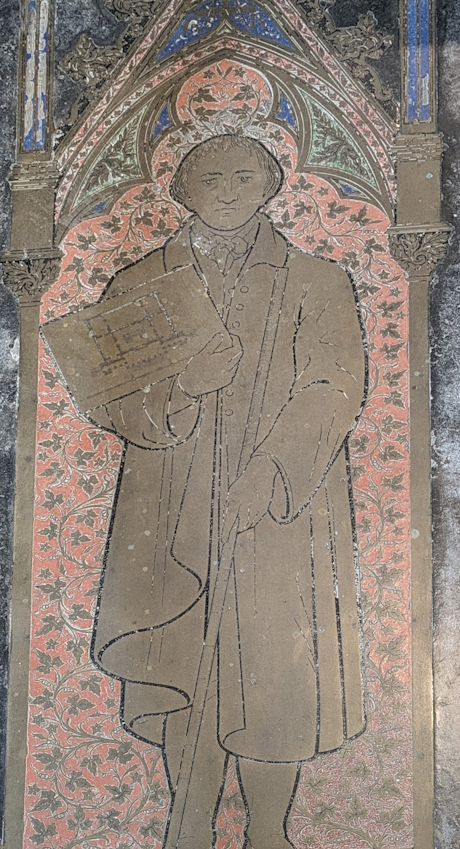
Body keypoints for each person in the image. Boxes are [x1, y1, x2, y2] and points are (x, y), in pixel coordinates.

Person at [64, 134, 367, 849]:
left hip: (277, 514)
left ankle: (268, 829)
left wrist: (270, 469)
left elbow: (334, 384)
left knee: (273, 670)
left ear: (269, 186)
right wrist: (178, 394)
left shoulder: (315, 281)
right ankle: (191, 820)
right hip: (170, 506)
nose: (227, 188)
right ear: (181, 189)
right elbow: (107, 393)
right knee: (180, 663)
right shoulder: (141, 283)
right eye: (210, 176)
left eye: (243, 175)